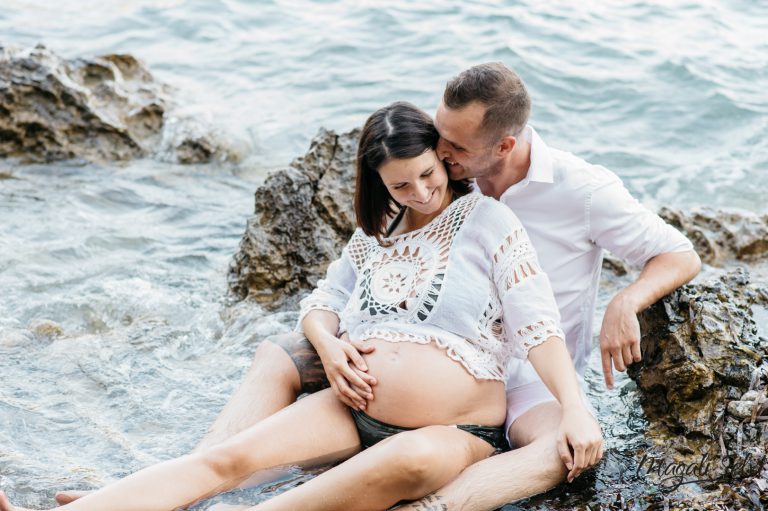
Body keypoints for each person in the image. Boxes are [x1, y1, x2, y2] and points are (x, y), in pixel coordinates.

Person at [53, 63, 701, 510]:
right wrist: (330, 346)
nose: (437, 161)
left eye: (448, 152)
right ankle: (157, 490)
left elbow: (561, 313)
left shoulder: (549, 200)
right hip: (374, 384)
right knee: (260, 393)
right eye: (429, 149)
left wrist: (624, 302)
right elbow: (331, 296)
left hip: (507, 387)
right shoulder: (418, 207)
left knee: (567, 445)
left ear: (501, 145)